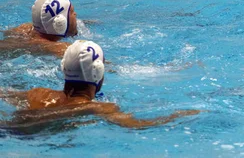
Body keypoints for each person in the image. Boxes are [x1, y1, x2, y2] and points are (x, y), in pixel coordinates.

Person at [0, 40, 200, 130]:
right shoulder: (97, 107)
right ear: (98, 73)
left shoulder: (37, 93)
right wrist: (177, 116)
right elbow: (138, 126)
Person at [1, 0, 80, 57]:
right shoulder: (58, 48)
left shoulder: (23, 30)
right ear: (60, 22)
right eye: (72, 12)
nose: (75, 14)